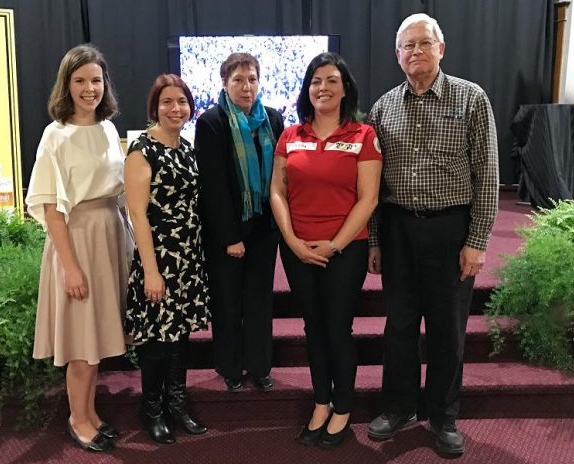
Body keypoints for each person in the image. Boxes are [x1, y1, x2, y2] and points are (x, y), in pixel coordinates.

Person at [366, 13, 499, 456]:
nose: (416, 51)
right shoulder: (383, 108)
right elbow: (374, 187)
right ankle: (399, 406)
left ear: (441, 49)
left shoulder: (471, 99)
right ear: (397, 54)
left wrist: (477, 242)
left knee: (447, 330)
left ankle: (443, 416)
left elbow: (488, 175)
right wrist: (376, 241)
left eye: (424, 43)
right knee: (399, 325)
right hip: (400, 229)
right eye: (408, 45)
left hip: (451, 230)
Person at [271, 52, 382, 449]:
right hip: (298, 250)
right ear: (307, 89)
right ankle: (321, 401)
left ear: (345, 88)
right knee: (312, 329)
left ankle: (343, 407)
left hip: (345, 250)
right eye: (316, 81)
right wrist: (293, 241)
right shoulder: (290, 134)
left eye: (332, 80)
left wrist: (334, 244)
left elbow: (368, 199)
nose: (323, 88)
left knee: (337, 328)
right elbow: (276, 192)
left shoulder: (363, 136)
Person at [26, 44, 128, 452]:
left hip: (109, 236)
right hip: (77, 242)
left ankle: (90, 411)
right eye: (81, 80)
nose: (90, 89)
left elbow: (119, 191)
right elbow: (51, 209)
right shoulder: (56, 135)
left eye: (96, 80)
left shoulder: (106, 129)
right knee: (81, 344)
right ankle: (78, 418)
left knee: (97, 337)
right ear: (66, 85)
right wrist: (70, 267)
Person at [125, 74, 210, 444]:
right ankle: (152, 407)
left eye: (182, 102)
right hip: (158, 259)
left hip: (189, 257)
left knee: (180, 336)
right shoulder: (142, 151)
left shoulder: (187, 149)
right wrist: (151, 271)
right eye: (167, 103)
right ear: (154, 108)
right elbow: (137, 215)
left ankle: (177, 401)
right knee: (158, 339)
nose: (176, 109)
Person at [194, 53, 284, 393]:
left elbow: (278, 177)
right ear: (224, 83)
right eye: (238, 80)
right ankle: (230, 367)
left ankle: (260, 366)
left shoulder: (273, 119)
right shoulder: (212, 122)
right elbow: (213, 187)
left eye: (252, 79)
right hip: (226, 231)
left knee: (260, 301)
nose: (246, 87)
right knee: (228, 301)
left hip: (263, 229)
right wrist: (231, 236)